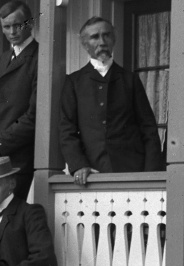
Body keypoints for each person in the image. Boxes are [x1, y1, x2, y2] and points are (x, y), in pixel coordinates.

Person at [59, 17, 163, 186]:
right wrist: (78, 165)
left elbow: (148, 128)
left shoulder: (130, 79)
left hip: (133, 170)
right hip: (93, 173)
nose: (102, 42)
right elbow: (66, 129)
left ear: (113, 40)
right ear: (85, 44)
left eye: (106, 35)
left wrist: (151, 172)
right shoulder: (74, 82)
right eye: (94, 37)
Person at [0, 1, 38, 205]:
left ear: (29, 23)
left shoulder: (39, 57)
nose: (12, 31)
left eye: (17, 25)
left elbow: (34, 115)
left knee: (8, 219)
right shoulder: (5, 57)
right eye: (6, 27)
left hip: (17, 156)